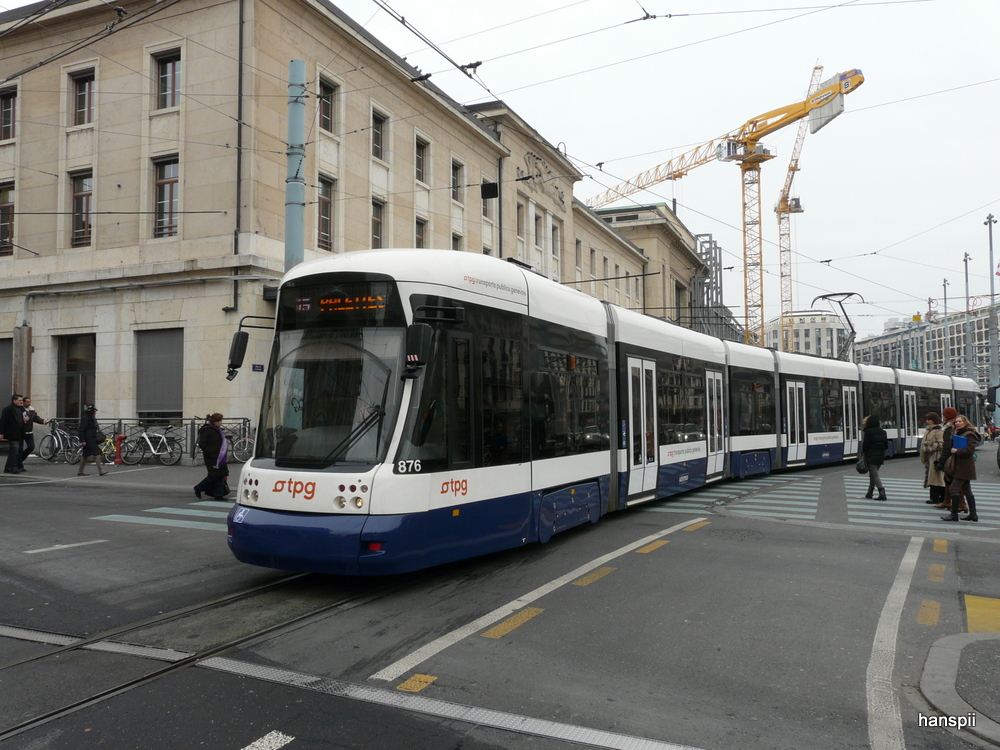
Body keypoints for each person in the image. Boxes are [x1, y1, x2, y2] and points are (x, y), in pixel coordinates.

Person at [941, 414, 980, 522]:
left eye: (960, 422)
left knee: (954, 488)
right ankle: (973, 514)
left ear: (965, 423)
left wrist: (957, 451)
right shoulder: (957, 433)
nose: (957, 423)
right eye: (956, 422)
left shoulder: (969, 434)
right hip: (959, 465)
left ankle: (954, 514)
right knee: (967, 489)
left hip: (965, 466)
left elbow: (970, 450)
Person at [933, 407, 967, 512]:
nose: (942, 416)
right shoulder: (953, 427)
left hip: (951, 458)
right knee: (948, 480)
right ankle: (947, 501)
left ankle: (961, 504)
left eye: (944, 414)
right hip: (954, 457)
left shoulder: (949, 428)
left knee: (953, 481)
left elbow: (947, 447)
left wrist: (941, 461)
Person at [194, 413, 229, 499]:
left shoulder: (217, 430)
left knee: (221, 474)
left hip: (219, 456)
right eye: (219, 421)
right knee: (214, 475)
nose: (221, 423)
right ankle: (199, 487)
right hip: (211, 457)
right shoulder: (207, 430)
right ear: (215, 422)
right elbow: (202, 443)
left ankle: (218, 495)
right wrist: (210, 452)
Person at [919, 412, 946, 506]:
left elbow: (942, 444)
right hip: (930, 457)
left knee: (938, 478)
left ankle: (938, 497)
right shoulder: (929, 430)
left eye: (928, 420)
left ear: (933, 420)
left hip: (936, 457)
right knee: (933, 478)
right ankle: (935, 497)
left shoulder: (938, 431)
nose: (926, 421)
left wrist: (930, 445)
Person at [860, 414, 889, 501]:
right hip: (880, 456)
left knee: (874, 474)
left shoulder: (868, 432)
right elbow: (886, 445)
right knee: (873, 474)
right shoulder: (883, 432)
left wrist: (864, 453)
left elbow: (866, 445)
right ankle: (869, 493)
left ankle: (882, 493)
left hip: (870, 455)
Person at [76, 404, 107, 476]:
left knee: (85, 455)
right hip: (88, 439)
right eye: (94, 411)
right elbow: (81, 429)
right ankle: (101, 470)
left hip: (91, 438)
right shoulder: (86, 418)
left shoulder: (91, 418)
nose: (95, 413)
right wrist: (82, 440)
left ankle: (80, 471)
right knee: (96, 453)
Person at [19, 397, 49, 468]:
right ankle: (18, 463)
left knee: (31, 447)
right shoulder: (20, 410)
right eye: (27, 402)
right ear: (23, 402)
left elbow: (36, 419)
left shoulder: (32, 411)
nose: (29, 403)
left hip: (29, 432)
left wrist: (44, 421)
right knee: (19, 449)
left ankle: (19, 460)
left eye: (30, 402)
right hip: (21, 432)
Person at [0, 393, 25, 474]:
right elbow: (3, 421)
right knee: (15, 450)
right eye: (20, 400)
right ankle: (13, 467)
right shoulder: (8, 409)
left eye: (22, 400)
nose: (21, 402)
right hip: (12, 433)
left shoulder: (21, 409)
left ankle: (8, 467)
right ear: (14, 400)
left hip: (19, 433)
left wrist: (25, 419)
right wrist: (1, 433)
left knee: (14, 451)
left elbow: (23, 419)